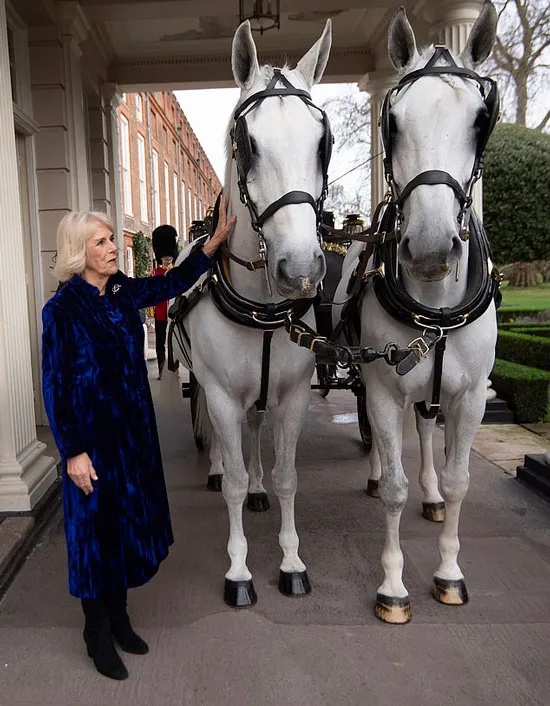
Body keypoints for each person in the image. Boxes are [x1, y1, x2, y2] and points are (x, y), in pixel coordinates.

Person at [41, 199, 235, 681]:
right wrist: (72, 452)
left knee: (124, 529)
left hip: (131, 440)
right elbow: (54, 387)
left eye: (111, 240)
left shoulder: (123, 292)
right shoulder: (61, 310)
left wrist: (208, 249)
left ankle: (121, 618)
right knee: (94, 539)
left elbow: (168, 285)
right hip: (90, 445)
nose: (113, 249)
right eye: (102, 242)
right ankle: (96, 632)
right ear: (78, 252)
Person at [150, 225, 178, 380]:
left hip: (173, 313)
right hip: (160, 314)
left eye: (169, 255)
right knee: (160, 344)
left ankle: (174, 368)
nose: (167, 257)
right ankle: (162, 369)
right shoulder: (155, 274)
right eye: (164, 255)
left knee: (174, 341)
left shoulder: (176, 271)